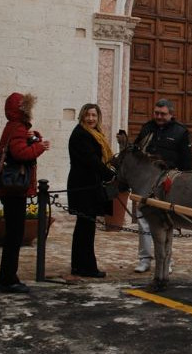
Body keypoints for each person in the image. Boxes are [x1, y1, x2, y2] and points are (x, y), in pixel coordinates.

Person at [0, 92, 50, 293]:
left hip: (10, 188)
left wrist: (35, 138)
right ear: (22, 109)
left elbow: (22, 144)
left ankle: (8, 277)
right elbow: (20, 153)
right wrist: (40, 147)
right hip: (14, 189)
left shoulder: (14, 127)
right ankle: (8, 280)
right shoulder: (18, 127)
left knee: (13, 234)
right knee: (14, 235)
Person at [132, 98, 192, 273]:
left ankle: (167, 259)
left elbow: (187, 162)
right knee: (143, 220)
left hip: (169, 182)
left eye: (162, 114)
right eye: (156, 113)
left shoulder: (180, 131)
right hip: (146, 182)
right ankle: (144, 259)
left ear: (171, 114)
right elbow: (136, 152)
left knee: (167, 221)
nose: (158, 116)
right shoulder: (147, 128)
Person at [67, 103, 116, 278]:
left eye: (94, 115)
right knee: (85, 227)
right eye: (88, 115)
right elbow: (92, 161)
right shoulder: (81, 134)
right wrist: (111, 175)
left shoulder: (95, 134)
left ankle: (80, 265)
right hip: (83, 186)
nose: (91, 119)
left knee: (86, 227)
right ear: (82, 116)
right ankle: (86, 267)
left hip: (90, 185)